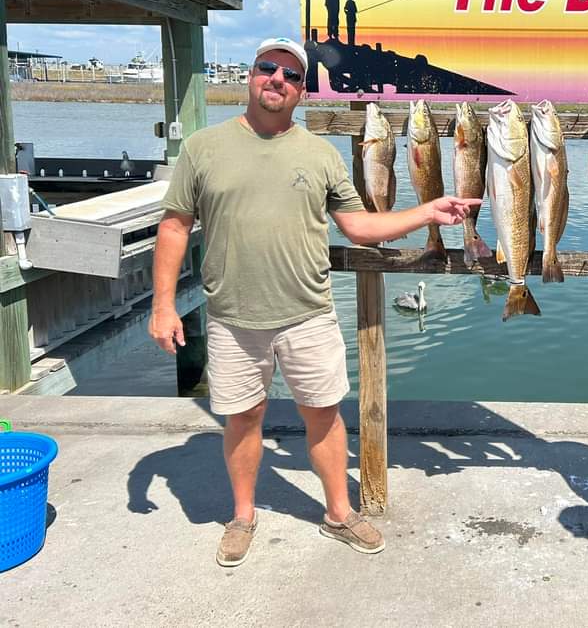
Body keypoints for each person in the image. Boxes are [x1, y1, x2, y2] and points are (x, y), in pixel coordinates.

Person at [149, 37, 479, 567]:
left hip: (308, 313)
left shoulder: (320, 154)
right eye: (267, 69)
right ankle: (242, 516)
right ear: (250, 76)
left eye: (291, 75)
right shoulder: (202, 148)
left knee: (323, 416)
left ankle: (339, 513)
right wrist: (163, 305)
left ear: (302, 90)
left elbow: (359, 226)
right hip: (233, 316)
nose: (277, 79)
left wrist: (427, 212)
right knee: (243, 417)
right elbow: (174, 227)